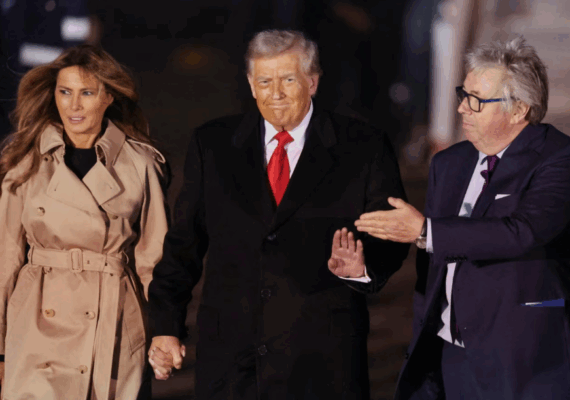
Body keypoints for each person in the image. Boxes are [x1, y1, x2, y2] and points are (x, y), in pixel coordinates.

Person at [146, 29, 409, 399]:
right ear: (251, 85)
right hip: (231, 362)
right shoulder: (213, 145)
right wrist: (166, 325)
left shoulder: (363, 146)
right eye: (265, 82)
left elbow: (391, 233)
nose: (276, 94)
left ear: (312, 82)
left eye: (288, 80)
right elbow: (182, 245)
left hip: (321, 363)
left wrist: (363, 267)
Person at [354, 36, 570, 399]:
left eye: (476, 100)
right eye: (463, 95)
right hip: (445, 359)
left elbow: (521, 232)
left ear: (518, 109)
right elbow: (431, 267)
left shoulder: (559, 159)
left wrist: (426, 230)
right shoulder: (449, 163)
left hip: (521, 364)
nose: (461, 109)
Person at [0, 44, 169, 399]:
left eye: (87, 93)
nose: (73, 105)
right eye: (65, 92)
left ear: (109, 97)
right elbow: (5, 257)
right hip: (36, 322)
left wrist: (165, 332)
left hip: (112, 319)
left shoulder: (140, 163)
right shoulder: (25, 160)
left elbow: (153, 259)